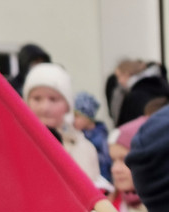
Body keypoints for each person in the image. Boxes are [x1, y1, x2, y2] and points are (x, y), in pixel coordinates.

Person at [23, 63, 108, 193]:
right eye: (36, 98)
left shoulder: (84, 148)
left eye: (53, 99)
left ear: (68, 105)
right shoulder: (14, 143)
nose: (45, 108)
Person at [116, 61, 169, 126]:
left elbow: (125, 126)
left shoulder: (134, 97)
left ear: (127, 74)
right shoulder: (164, 87)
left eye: (119, 76)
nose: (119, 81)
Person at [73, 91, 112, 183]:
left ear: (88, 117)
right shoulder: (78, 135)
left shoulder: (99, 139)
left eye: (77, 116)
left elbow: (105, 165)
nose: (73, 120)